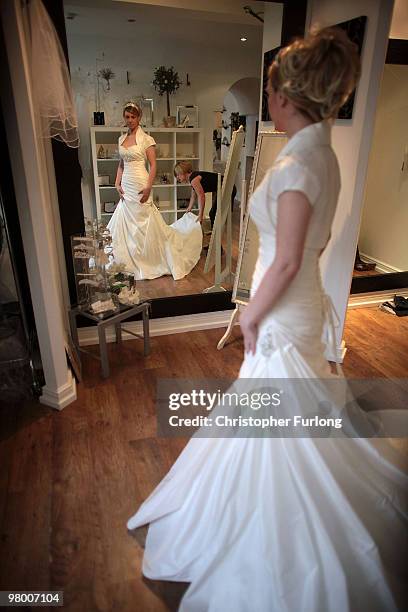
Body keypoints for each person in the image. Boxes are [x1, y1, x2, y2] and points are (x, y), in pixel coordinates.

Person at [126, 29, 407, 611]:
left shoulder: (302, 162)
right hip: (300, 303)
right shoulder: (322, 153)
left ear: (288, 95)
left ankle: (282, 534)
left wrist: (251, 314)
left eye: (272, 89)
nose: (268, 99)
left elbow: (282, 260)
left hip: (284, 308)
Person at [107, 103, 202, 280]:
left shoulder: (146, 139)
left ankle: (149, 258)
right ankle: (128, 257)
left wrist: (149, 187)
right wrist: (116, 181)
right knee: (125, 219)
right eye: (127, 117)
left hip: (141, 183)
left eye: (133, 117)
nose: (130, 120)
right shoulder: (121, 139)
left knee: (144, 219)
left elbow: (154, 165)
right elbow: (121, 163)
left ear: (139, 118)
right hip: (126, 185)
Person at [174, 161, 237, 228]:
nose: (177, 177)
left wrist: (200, 215)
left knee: (214, 214)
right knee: (213, 214)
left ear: (183, 172)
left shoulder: (194, 180)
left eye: (178, 175)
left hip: (228, 187)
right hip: (224, 188)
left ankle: (216, 235)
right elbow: (193, 195)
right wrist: (189, 208)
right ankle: (215, 234)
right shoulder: (192, 178)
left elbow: (201, 196)